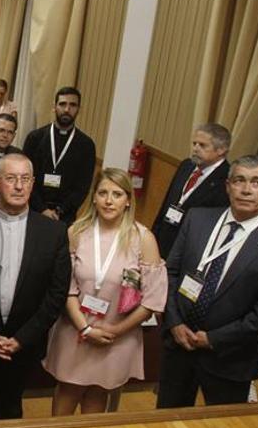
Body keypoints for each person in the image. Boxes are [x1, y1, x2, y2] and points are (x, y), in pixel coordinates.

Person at [157, 155, 258, 408]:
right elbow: (170, 273)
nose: (246, 189)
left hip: (230, 359)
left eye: (256, 182)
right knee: (166, 421)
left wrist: (213, 338)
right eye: (239, 180)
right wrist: (174, 323)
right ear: (228, 186)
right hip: (179, 348)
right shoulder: (196, 219)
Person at [0, 153, 70, 420]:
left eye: (25, 179)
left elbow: (56, 294)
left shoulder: (54, 233)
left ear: (32, 183)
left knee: (10, 410)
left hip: (23, 342)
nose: (19, 186)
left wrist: (21, 339)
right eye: (10, 178)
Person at [42, 168, 166, 415]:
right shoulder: (76, 232)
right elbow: (65, 288)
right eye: (103, 193)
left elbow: (152, 299)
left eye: (117, 194)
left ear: (128, 199)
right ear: (94, 198)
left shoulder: (143, 239)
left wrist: (114, 332)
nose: (109, 200)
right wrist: (86, 329)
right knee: (67, 392)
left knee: (98, 395)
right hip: (75, 329)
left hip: (117, 334)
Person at [152, 123, 231, 258]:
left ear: (221, 150)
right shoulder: (186, 165)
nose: (195, 149)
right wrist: (153, 237)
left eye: (202, 145)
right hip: (163, 241)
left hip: (188, 250)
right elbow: (167, 203)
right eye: (194, 143)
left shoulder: (227, 179)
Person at [22, 86, 96, 226]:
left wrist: (60, 210)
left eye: (72, 105)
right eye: (62, 104)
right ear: (54, 107)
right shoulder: (35, 138)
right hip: (33, 209)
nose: (67, 109)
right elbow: (26, 177)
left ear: (79, 109)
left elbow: (82, 187)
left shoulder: (86, 145)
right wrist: (42, 208)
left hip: (65, 216)